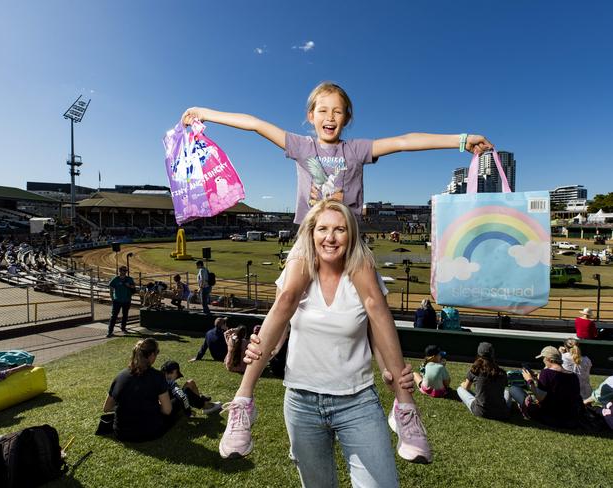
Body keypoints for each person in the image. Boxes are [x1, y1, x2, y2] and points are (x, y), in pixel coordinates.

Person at [183, 81, 489, 463]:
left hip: (350, 241)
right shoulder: (300, 146)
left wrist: (462, 140)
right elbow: (253, 124)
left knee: (375, 303)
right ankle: (244, 401)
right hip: (311, 238)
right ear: (310, 117)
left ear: (347, 118)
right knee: (287, 298)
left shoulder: (356, 150)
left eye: (337, 111)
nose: (330, 117)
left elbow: (406, 141)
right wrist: (205, 113)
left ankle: (406, 409)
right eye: (322, 110)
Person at [220, 199, 426, 488]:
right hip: (301, 402)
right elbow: (282, 316)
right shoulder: (296, 271)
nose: (330, 237)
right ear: (312, 232)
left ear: (351, 234)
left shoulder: (362, 272)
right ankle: (243, 404)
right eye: (323, 229)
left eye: (339, 229)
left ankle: (405, 412)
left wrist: (393, 375)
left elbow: (376, 327)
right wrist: (265, 346)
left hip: (357, 401)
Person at [103, 338, 173, 442]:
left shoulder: (120, 376)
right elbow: (167, 411)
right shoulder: (158, 377)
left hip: (121, 433)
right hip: (150, 432)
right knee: (176, 403)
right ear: (152, 355)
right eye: (157, 352)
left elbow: (106, 408)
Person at [510, 346, 583, 428]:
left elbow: (540, 397)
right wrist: (538, 379)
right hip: (571, 419)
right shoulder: (573, 376)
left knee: (514, 389)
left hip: (550, 417)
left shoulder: (546, 373)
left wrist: (529, 380)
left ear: (549, 359)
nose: (543, 361)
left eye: (544, 358)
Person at [456, 342, 511, 420]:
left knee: (460, 389)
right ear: (492, 355)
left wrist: (462, 384)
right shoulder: (502, 372)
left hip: (481, 411)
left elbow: (466, 388)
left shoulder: (475, 369)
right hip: (502, 413)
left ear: (479, 354)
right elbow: (501, 389)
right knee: (507, 392)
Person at [107, 266, 136, 337]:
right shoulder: (115, 279)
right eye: (123, 270)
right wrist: (112, 298)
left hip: (127, 300)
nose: (125, 272)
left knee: (125, 315)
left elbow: (134, 288)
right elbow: (111, 288)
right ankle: (110, 331)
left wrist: (129, 286)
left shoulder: (129, 279)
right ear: (120, 271)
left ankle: (123, 328)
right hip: (117, 300)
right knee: (114, 316)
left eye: (126, 271)